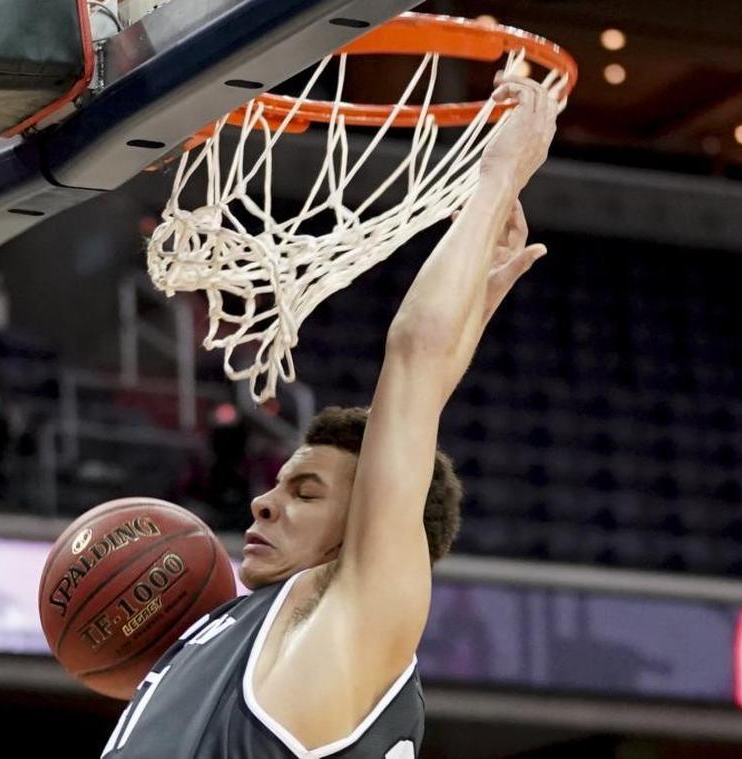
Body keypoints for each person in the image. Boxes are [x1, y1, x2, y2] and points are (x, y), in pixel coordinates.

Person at [101, 72, 559, 758]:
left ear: (368, 524)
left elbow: (412, 360)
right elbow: (418, 384)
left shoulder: (358, 613)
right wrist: (472, 298)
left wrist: (496, 177)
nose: (261, 501)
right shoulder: (255, 629)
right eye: (283, 483)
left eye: (305, 492)